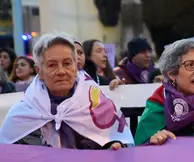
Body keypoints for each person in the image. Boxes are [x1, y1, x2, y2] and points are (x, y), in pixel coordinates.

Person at [0, 33, 133, 149]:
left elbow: (119, 141)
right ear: (38, 71)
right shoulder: (23, 114)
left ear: (76, 66)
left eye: (67, 63)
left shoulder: (98, 104)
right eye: (52, 65)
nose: (61, 71)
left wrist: (114, 145)